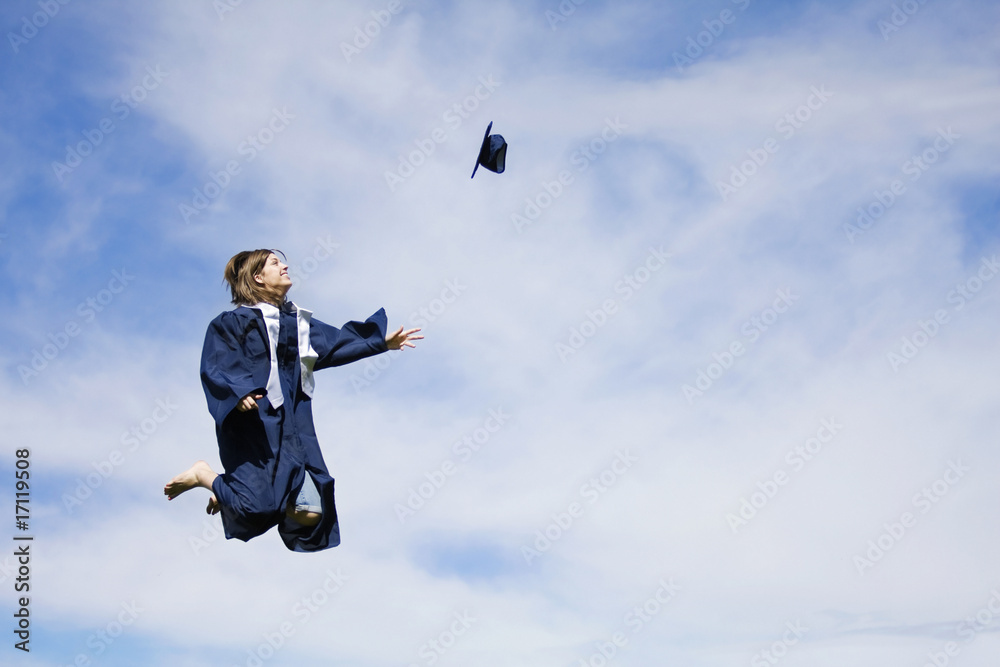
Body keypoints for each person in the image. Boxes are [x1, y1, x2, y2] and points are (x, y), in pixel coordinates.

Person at [164, 249, 421, 552]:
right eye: (275, 262)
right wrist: (239, 394)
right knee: (256, 510)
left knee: (311, 511)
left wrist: (378, 343)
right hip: (255, 426)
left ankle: (235, 490)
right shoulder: (234, 322)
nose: (284, 265)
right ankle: (204, 475)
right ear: (258, 277)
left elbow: (333, 345)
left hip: (295, 429)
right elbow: (218, 362)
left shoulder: (295, 324)